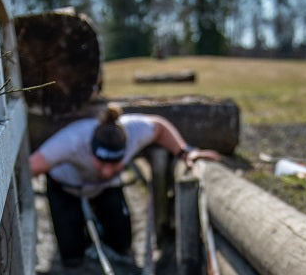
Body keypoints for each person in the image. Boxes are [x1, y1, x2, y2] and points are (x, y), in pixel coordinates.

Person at [29, 103, 220, 266]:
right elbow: (31, 166)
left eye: (114, 164)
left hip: (105, 187)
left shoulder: (134, 131)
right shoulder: (70, 141)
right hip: (66, 186)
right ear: (90, 148)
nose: (106, 170)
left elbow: (159, 126)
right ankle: (81, 237)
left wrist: (184, 151)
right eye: (101, 162)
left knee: (121, 244)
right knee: (72, 256)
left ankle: (103, 233)